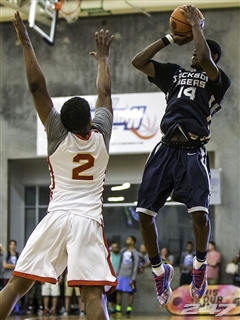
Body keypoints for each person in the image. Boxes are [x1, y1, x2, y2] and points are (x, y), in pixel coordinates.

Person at [0, 11, 116, 320]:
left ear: (61, 123)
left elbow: (38, 88)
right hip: (87, 220)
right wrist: (102, 59)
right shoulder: (102, 133)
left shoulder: (55, 135)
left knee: (16, 285)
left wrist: (26, 42)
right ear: (90, 119)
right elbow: (104, 92)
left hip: (57, 217)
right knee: (93, 294)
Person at [132, 4, 231, 307]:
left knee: (199, 214)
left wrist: (196, 26)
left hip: (192, 150)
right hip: (165, 148)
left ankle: (199, 267)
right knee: (144, 215)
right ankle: (160, 271)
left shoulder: (218, 80)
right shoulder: (174, 74)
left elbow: (203, 56)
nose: (193, 56)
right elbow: (139, 61)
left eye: (200, 53)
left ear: (212, 58)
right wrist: (170, 38)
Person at [115, 236, 139, 317]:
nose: (127, 240)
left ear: (132, 242)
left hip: (129, 276)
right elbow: (120, 263)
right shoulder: (123, 251)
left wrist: (133, 278)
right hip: (121, 275)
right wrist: (117, 274)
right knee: (119, 291)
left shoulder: (135, 252)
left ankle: (129, 308)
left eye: (128, 239)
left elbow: (136, 265)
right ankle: (118, 306)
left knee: (131, 292)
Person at [107, 242, 121, 315]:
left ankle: (115, 308)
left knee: (117, 293)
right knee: (110, 293)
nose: (116, 248)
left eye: (116, 247)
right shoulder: (109, 255)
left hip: (118, 277)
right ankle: (110, 308)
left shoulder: (120, 256)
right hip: (110, 277)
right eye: (114, 247)